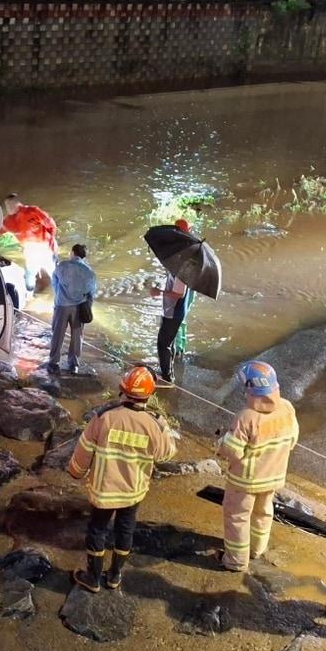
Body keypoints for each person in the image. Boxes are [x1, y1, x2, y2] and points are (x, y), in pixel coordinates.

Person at [67, 366, 178, 593]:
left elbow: (84, 450)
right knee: (125, 530)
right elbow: (166, 454)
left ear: (122, 390)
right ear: (150, 395)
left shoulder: (104, 417)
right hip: (133, 491)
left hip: (104, 490)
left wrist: (76, 472)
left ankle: (93, 578)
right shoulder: (154, 423)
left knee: (97, 530)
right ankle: (115, 576)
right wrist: (163, 429)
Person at [216, 361, 299, 571]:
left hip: (245, 480)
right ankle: (256, 550)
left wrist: (221, 443)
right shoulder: (287, 408)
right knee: (263, 513)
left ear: (251, 389)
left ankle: (235, 560)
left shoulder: (246, 418)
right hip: (273, 477)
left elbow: (233, 451)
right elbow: (292, 440)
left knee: (237, 517)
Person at [149, 219, 194, 384]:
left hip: (174, 310)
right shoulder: (179, 264)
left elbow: (179, 294)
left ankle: (167, 376)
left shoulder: (182, 268)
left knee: (163, 343)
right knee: (169, 340)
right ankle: (169, 368)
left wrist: (159, 291)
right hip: (171, 309)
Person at [47, 243, 96, 374]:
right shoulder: (89, 272)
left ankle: (53, 362)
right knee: (77, 336)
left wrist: (59, 295)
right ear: (83, 256)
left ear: (72, 252)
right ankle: (73, 363)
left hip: (62, 306)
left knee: (58, 334)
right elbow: (91, 293)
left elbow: (54, 282)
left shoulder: (62, 266)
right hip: (79, 307)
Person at [2, 193, 58, 294]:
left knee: (53, 272)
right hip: (29, 249)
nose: (8, 208)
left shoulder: (33, 211)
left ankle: (58, 292)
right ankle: (29, 292)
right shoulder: (8, 221)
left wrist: (51, 239)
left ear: (17, 204)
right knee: (30, 273)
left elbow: (50, 224)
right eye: (6, 206)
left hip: (45, 247)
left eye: (10, 205)